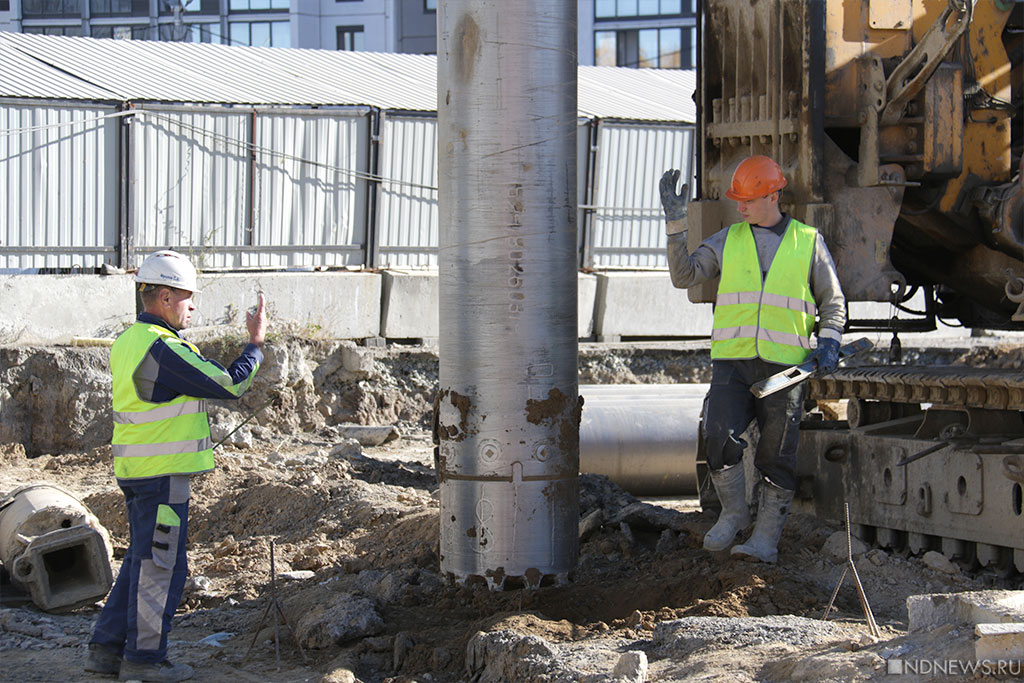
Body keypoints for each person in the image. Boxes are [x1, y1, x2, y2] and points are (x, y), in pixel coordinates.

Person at [85, 250, 266, 682]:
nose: (192, 305)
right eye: (188, 297)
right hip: (161, 477)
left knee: (142, 561)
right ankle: (145, 662)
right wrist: (255, 345)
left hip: (138, 471)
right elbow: (230, 382)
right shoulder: (162, 349)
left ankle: (106, 650)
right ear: (164, 296)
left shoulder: (129, 341)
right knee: (162, 564)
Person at [660, 155, 846, 564]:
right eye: (738, 199)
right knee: (719, 437)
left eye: (749, 198)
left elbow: (833, 304)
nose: (740, 206)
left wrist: (829, 342)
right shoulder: (730, 239)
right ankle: (734, 513)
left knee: (776, 455)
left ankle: (765, 539)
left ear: (773, 195)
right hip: (733, 362)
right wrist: (676, 226)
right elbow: (684, 276)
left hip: (786, 370)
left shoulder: (807, 242)